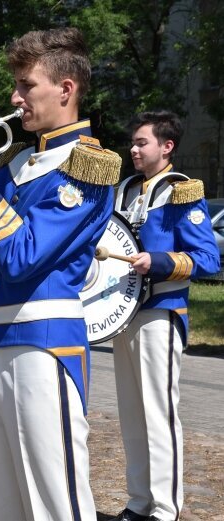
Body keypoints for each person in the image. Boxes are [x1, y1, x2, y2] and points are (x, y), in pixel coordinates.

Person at [0, 27, 122, 520]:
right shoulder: (16, 167)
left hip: (45, 344)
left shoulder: (89, 167)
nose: (15, 98)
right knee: (7, 502)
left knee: (56, 501)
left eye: (26, 85)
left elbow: (22, 256)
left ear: (66, 89)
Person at [109, 111, 220, 521]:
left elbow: (208, 259)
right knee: (132, 414)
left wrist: (156, 260)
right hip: (124, 313)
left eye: (142, 143)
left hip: (161, 313)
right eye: (133, 143)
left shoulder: (183, 192)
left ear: (166, 147)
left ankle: (165, 508)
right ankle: (138, 501)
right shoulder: (124, 190)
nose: (133, 150)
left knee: (159, 414)